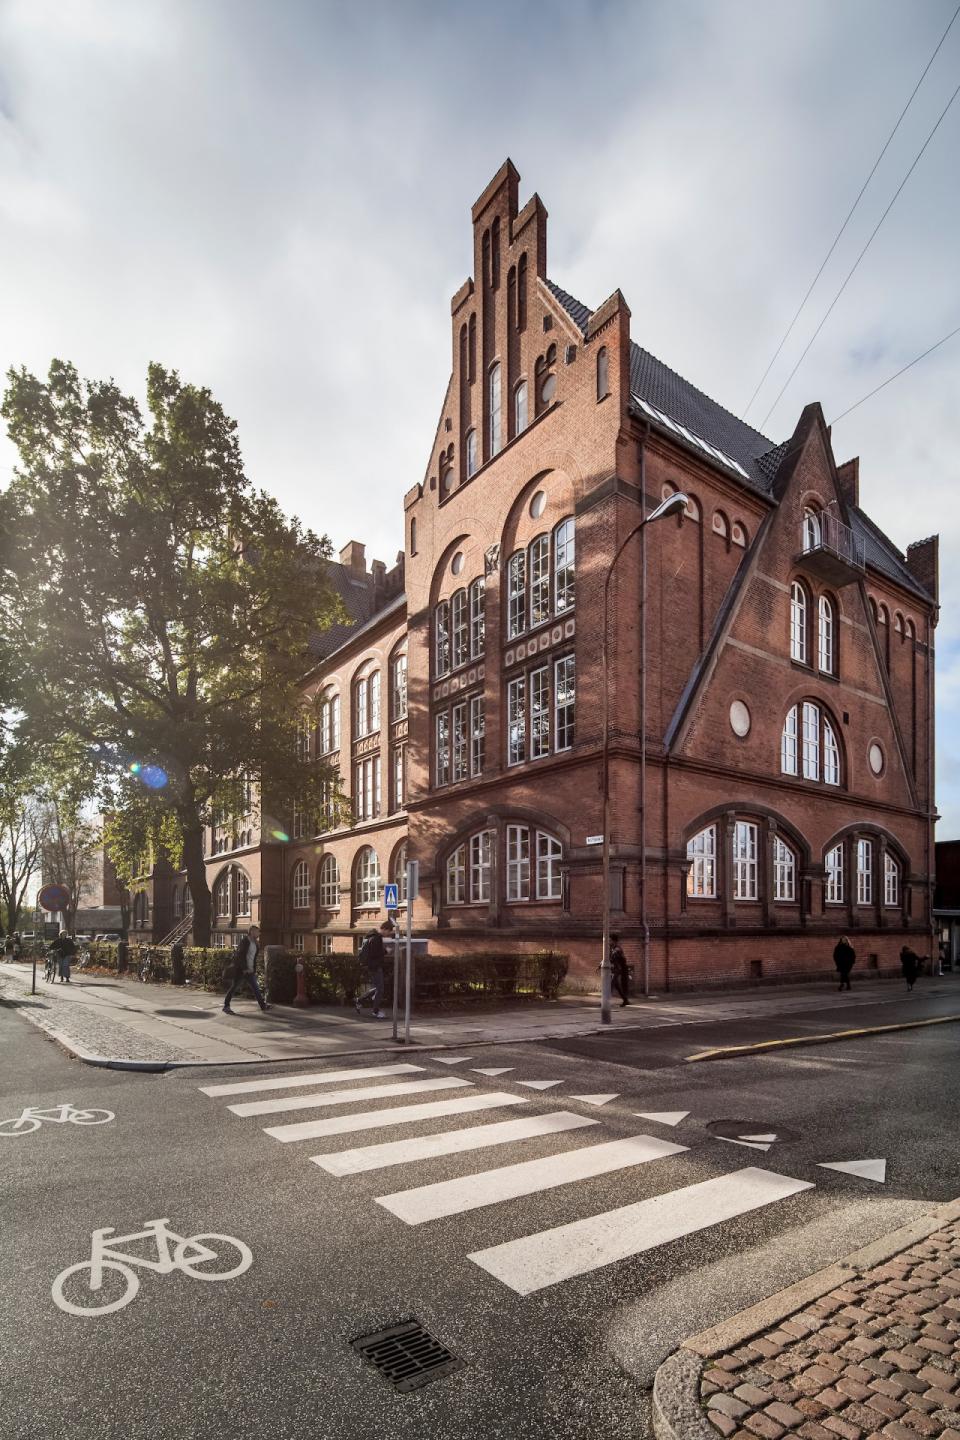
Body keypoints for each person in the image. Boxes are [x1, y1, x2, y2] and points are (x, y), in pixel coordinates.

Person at [222, 926, 269, 1014]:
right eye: (257, 932)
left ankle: (263, 1006)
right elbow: (240, 956)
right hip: (242, 970)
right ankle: (226, 1006)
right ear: (251, 932)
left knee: (256, 988)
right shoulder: (245, 941)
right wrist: (244, 968)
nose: (259, 933)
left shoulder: (255, 943)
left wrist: (252, 969)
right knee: (234, 987)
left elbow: (252, 958)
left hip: (250, 971)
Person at [355, 922, 393, 1019]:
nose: (388, 934)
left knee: (378, 988)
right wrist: (386, 951)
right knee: (380, 989)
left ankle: (359, 1000)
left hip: (372, 966)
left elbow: (373, 952)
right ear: (384, 929)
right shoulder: (377, 938)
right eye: (388, 932)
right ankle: (375, 1011)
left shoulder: (372, 936)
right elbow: (375, 954)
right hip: (375, 966)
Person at [610, 933, 630, 1007]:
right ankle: (625, 1000)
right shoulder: (612, 948)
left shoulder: (617, 949)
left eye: (610, 940)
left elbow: (611, 958)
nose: (609, 942)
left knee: (610, 984)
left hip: (619, 969)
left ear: (614, 941)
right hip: (616, 969)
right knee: (616, 985)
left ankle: (605, 1002)